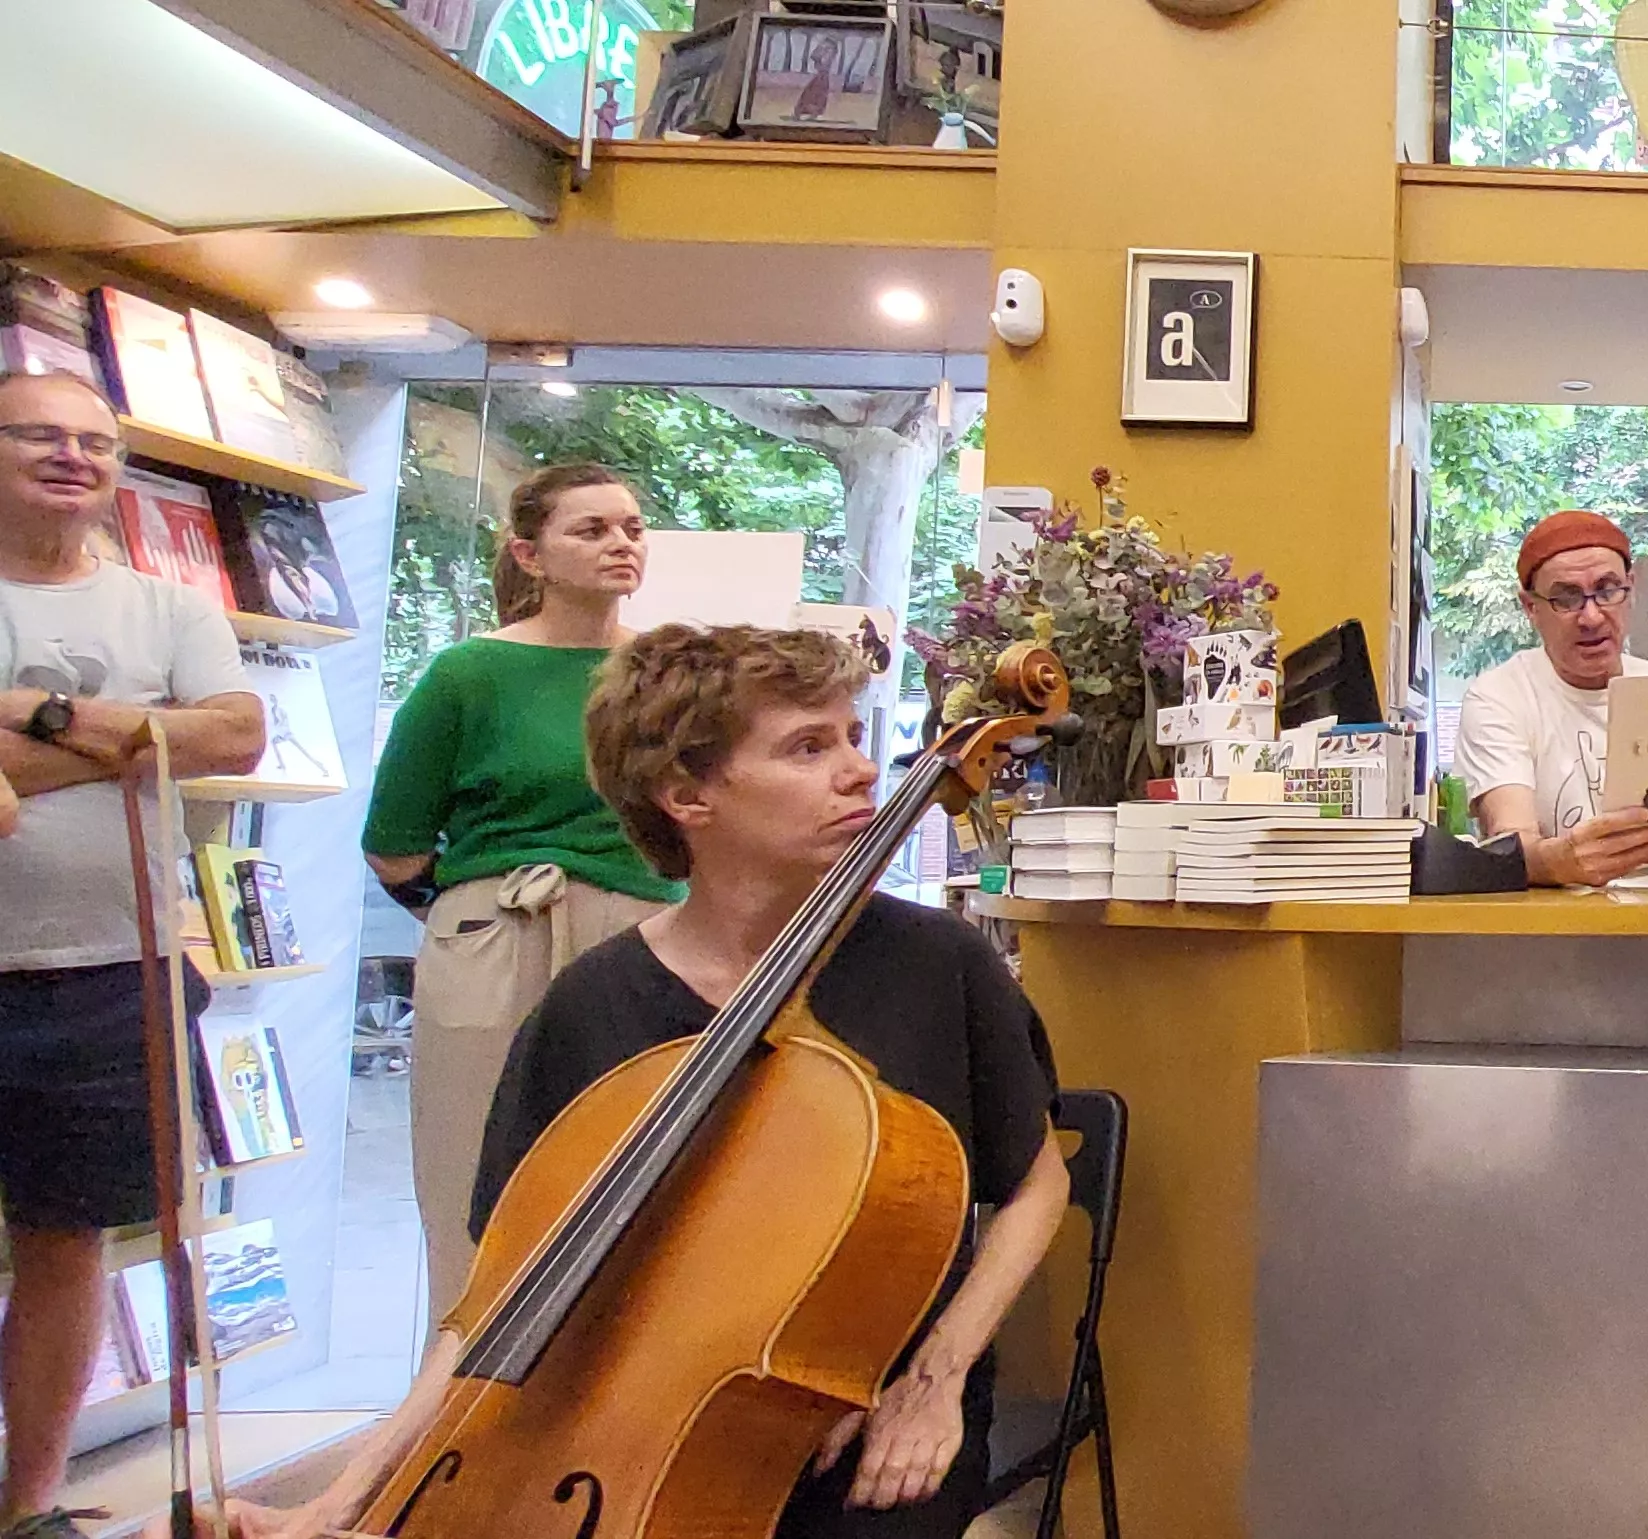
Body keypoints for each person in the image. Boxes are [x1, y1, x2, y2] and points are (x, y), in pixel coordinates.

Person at [232, 625, 1071, 1539]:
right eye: (808, 746)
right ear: (686, 795)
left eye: (851, 737)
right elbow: (497, 1301)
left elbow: (1035, 1186)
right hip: (630, 1427)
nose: (861, 770)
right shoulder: (590, 1006)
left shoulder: (937, 963)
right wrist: (341, 1499)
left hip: (868, 1416)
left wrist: (936, 1377)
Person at [0, 370, 264, 1539]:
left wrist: (35, 719)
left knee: (65, 1244)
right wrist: (140, 740)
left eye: (95, 441)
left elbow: (237, 736)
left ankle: (27, 1508)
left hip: (117, 972)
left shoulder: (169, 610)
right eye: (40, 435)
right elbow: (186, 736)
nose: (74, 456)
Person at [362, 463, 682, 1320]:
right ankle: (464, 1374)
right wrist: (470, 915)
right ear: (530, 555)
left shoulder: (667, 670)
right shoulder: (467, 673)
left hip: (648, 929)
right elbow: (393, 843)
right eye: (592, 529)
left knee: (643, 1170)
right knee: (473, 1167)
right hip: (500, 924)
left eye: (632, 528)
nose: (621, 544)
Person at [1455, 510, 1648, 888]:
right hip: (1561, 921)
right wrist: (1558, 862)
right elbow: (1509, 839)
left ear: (1631, 589)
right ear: (1531, 608)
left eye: (1607, 591)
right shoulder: (1500, 696)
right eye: (1566, 598)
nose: (1591, 617)